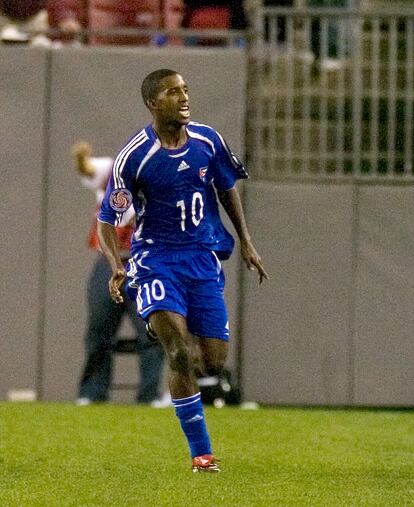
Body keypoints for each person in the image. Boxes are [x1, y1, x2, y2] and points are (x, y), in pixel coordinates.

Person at [97, 68, 269, 472]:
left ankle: (176, 335)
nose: (185, 97)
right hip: (156, 261)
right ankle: (202, 454)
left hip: (201, 258)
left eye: (186, 90)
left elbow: (227, 188)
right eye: (174, 92)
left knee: (212, 362)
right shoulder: (135, 157)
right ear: (154, 103)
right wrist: (115, 265)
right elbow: (108, 219)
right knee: (178, 353)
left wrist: (245, 240)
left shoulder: (209, 142)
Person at [72, 140, 165, 406]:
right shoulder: (113, 170)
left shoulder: (157, 186)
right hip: (108, 262)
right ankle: (92, 392)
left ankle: (149, 395)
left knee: (151, 330)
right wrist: (81, 157)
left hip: (141, 265)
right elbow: (89, 169)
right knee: (99, 331)